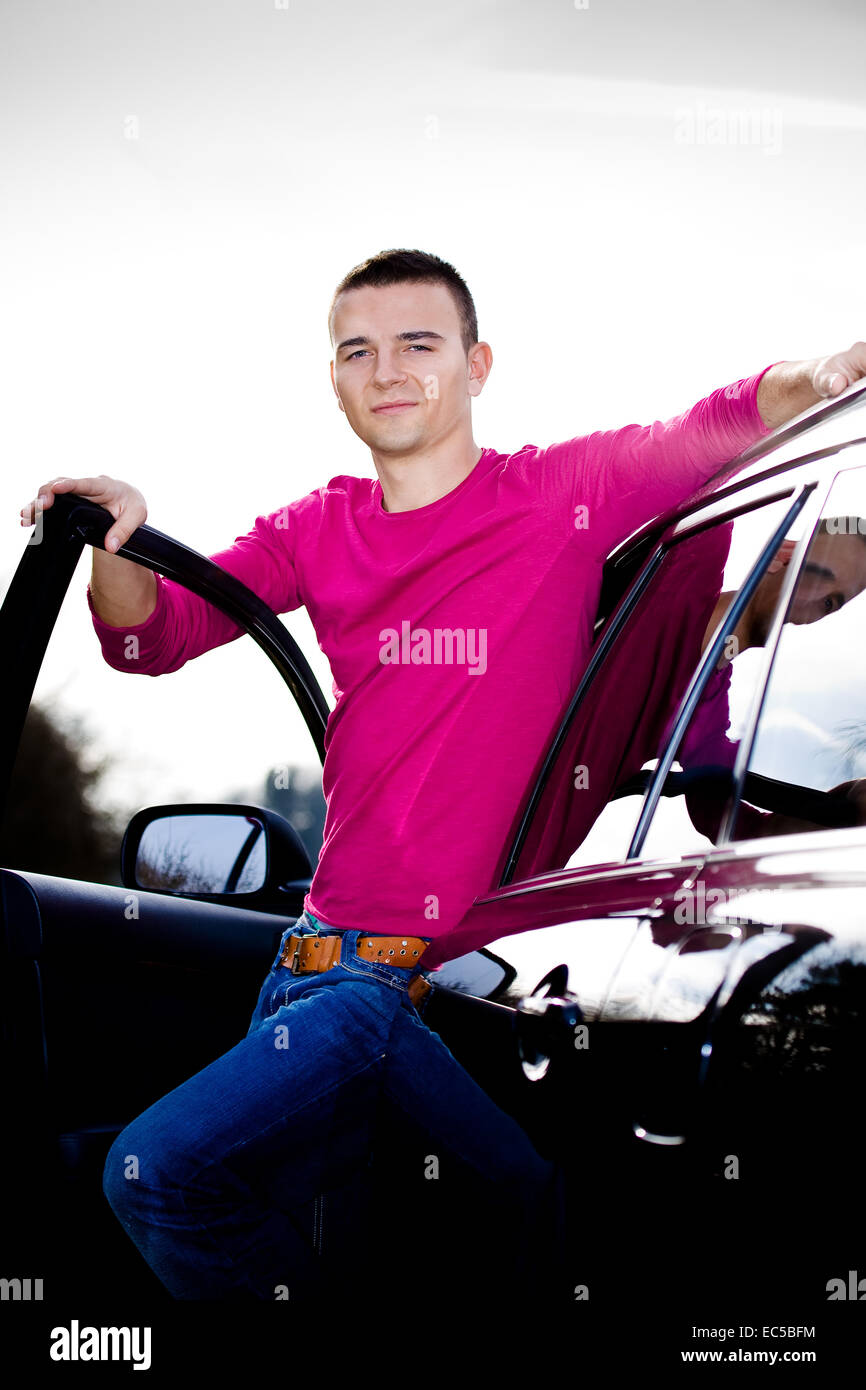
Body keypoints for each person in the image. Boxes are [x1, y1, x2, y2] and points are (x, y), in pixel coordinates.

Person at [19, 248, 866, 1303]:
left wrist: (831, 372)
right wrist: (117, 534)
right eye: (357, 351)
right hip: (306, 974)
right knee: (337, 1266)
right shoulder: (314, 526)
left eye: (418, 344)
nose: (386, 371)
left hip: (420, 997)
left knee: (160, 1179)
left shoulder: (564, 492)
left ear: (476, 364)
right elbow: (150, 639)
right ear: (333, 380)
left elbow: (720, 422)